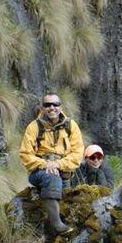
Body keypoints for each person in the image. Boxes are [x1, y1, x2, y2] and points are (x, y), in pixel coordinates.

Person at [19, 93, 84, 235]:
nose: (52, 108)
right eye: (47, 105)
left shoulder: (71, 125)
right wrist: (45, 164)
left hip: (64, 170)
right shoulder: (34, 127)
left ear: (60, 107)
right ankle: (56, 224)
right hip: (39, 172)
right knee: (51, 177)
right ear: (42, 108)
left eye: (55, 104)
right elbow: (25, 154)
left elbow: (78, 153)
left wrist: (59, 164)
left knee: (69, 196)